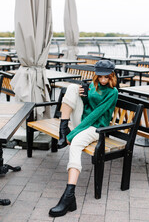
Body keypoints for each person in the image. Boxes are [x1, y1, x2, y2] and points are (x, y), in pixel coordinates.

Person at [49, 60, 118, 218]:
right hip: (83, 121)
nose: (102, 80)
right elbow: (89, 106)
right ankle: (63, 128)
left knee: (75, 145)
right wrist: (85, 96)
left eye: (106, 77)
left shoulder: (112, 92)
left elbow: (95, 115)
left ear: (112, 76)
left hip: (97, 127)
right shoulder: (94, 84)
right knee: (73, 87)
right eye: (100, 76)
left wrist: (72, 135)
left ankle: (68, 195)